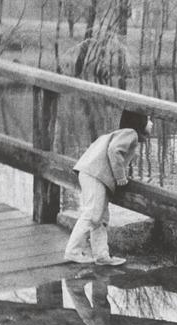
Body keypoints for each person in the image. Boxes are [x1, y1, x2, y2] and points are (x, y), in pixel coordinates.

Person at [64, 109, 153, 266]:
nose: (151, 124)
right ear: (140, 123)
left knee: (101, 218)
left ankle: (101, 255)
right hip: (94, 174)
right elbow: (113, 151)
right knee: (92, 214)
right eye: (149, 120)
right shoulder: (130, 133)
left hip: (91, 173)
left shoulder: (120, 133)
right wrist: (120, 177)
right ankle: (73, 251)